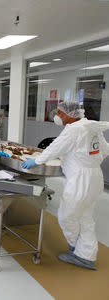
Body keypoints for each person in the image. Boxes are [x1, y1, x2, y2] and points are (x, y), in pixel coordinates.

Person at [21, 101, 109, 270]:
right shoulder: (91, 127)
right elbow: (104, 150)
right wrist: (82, 158)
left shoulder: (73, 129)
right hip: (95, 175)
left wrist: (36, 160)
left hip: (80, 179)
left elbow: (54, 148)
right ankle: (87, 254)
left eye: (60, 113)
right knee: (85, 217)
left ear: (71, 114)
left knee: (66, 215)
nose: (57, 116)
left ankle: (75, 247)